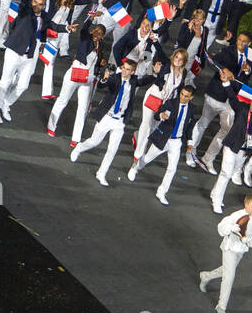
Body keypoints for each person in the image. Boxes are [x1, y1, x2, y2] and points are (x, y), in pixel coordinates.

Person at [128, 80, 197, 206]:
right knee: (147, 158)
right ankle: (135, 168)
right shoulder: (171, 103)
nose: (182, 97)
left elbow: (190, 127)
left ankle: (162, 192)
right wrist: (161, 115)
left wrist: (190, 143)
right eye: (181, 94)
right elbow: (155, 115)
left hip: (176, 142)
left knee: (172, 168)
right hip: (164, 138)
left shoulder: (192, 109)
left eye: (186, 96)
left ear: (191, 97)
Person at [71, 58, 138, 186]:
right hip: (107, 116)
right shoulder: (115, 78)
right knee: (94, 142)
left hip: (119, 121)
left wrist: (157, 73)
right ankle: (79, 148)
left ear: (132, 72)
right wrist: (105, 78)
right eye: (123, 68)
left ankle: (101, 173)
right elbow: (102, 85)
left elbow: (148, 80)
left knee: (112, 149)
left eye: (127, 69)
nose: (124, 71)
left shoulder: (133, 81)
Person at [198, 193, 252, 313]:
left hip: (241, 251)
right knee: (229, 276)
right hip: (230, 249)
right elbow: (221, 228)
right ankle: (222, 306)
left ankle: (206, 276)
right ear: (246, 205)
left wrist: (247, 240)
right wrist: (231, 228)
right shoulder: (236, 215)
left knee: (226, 271)